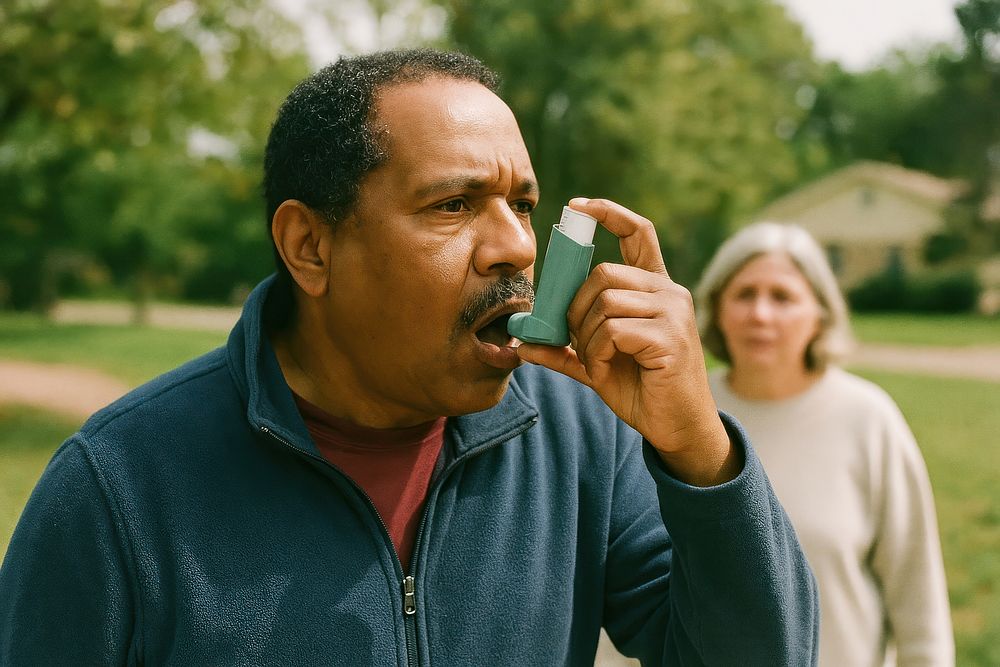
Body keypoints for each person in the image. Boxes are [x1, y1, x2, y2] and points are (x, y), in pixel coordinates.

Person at [0, 49, 818, 665]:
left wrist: (699, 450)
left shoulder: (581, 437)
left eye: (523, 205)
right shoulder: (118, 488)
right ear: (309, 246)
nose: (512, 246)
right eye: (454, 204)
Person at [694, 221, 954, 666]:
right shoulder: (684, 416)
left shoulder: (869, 419)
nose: (760, 314)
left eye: (782, 297)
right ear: (717, 308)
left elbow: (919, 603)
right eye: (744, 294)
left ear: (821, 313)